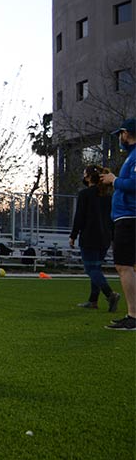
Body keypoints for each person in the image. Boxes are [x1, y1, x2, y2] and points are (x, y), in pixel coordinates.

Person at [100, 118, 136, 331]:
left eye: (121, 134)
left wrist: (114, 180)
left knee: (124, 266)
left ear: (127, 133)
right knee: (129, 266)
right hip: (127, 217)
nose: (120, 139)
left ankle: (133, 315)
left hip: (129, 218)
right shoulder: (131, 157)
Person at [69, 165, 119, 311]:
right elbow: (112, 219)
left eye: (85, 174)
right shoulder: (108, 197)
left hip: (89, 236)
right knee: (96, 267)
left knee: (91, 269)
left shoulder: (85, 194)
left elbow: (79, 217)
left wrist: (73, 235)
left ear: (89, 177)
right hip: (104, 238)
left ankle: (110, 294)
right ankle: (93, 300)